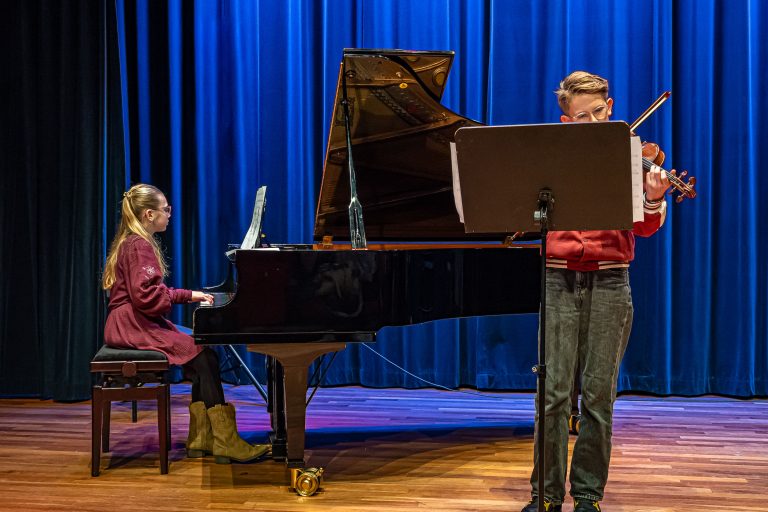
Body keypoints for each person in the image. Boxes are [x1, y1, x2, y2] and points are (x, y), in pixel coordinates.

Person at [521, 71, 672, 512]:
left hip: (610, 279)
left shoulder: (630, 155)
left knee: (599, 395)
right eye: (581, 116)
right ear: (566, 122)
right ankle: (544, 497)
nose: (592, 121)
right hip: (557, 277)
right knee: (552, 395)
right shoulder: (549, 158)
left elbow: (645, 227)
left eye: (599, 112)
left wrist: (652, 196)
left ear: (611, 108)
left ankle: (587, 496)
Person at [102, 183, 269, 464]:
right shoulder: (139, 245)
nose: (170, 214)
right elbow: (147, 298)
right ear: (148, 216)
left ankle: (201, 440)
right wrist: (185, 297)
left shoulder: (132, 241)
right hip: (132, 325)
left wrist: (189, 295)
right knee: (205, 355)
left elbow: (147, 294)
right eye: (166, 210)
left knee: (199, 351)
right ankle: (226, 442)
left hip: (128, 322)